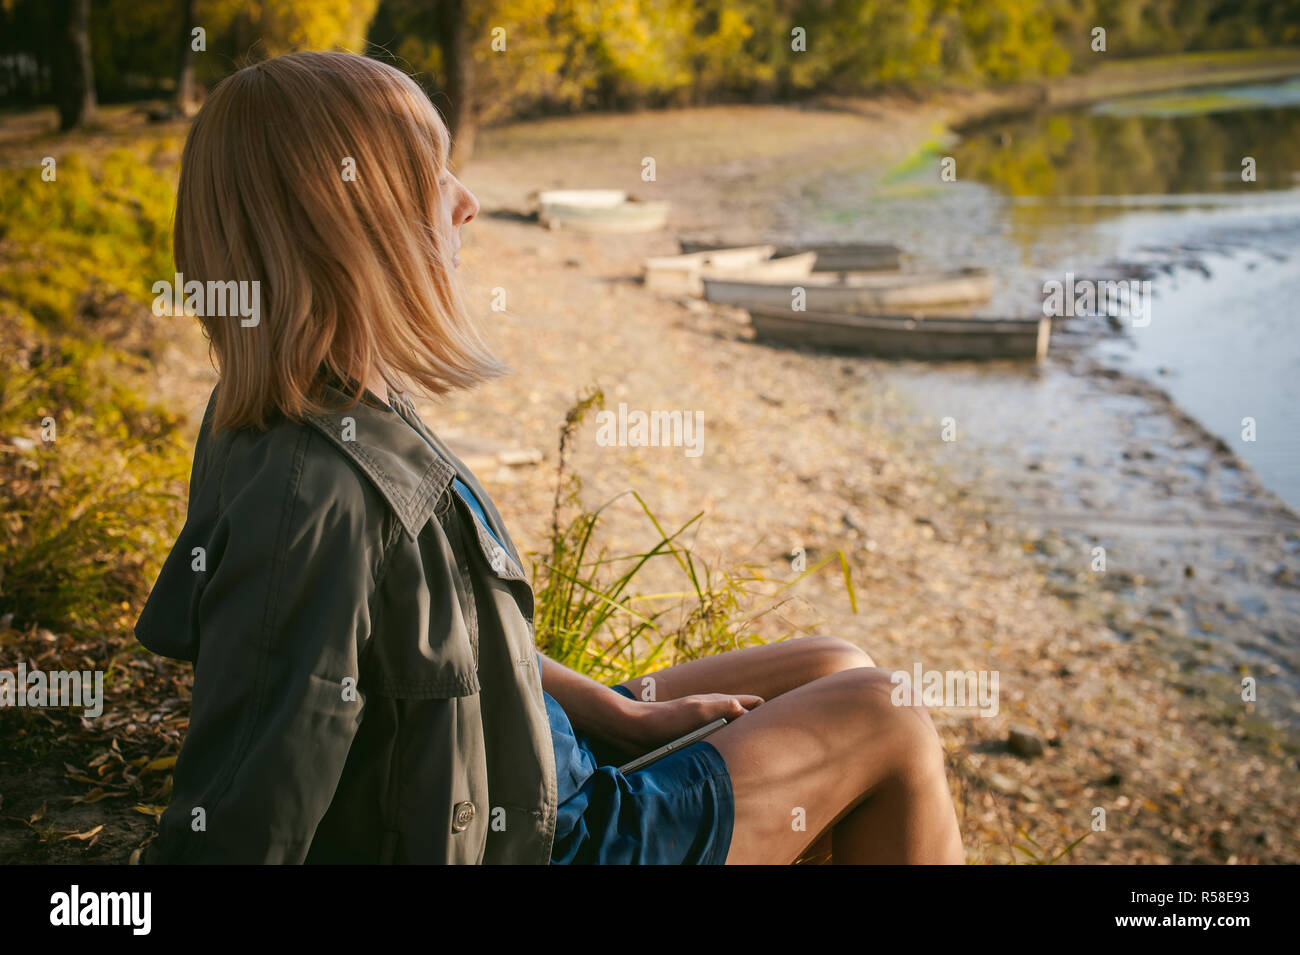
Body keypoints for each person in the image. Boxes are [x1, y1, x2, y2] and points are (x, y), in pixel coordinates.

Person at [134, 50, 964, 865]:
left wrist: (616, 711)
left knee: (834, 664)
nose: (468, 202)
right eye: (431, 175)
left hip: (538, 757)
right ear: (343, 224)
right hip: (553, 834)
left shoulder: (339, 406)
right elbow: (250, 809)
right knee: (890, 713)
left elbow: (454, 638)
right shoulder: (314, 494)